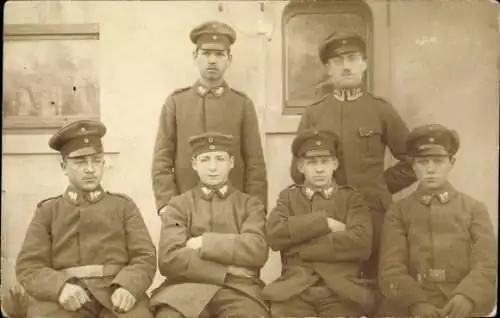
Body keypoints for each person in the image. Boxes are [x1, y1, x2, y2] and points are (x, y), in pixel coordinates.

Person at [292, 31, 416, 280]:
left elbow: (412, 161)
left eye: (352, 58)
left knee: (375, 282)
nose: (346, 66)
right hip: (326, 216)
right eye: (338, 61)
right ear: (328, 68)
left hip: (374, 213)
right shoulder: (315, 113)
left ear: (364, 64)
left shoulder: (380, 110)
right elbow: (297, 169)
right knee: (332, 284)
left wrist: (380, 185)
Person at [15, 120, 157, 318]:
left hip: (116, 295)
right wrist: (60, 288)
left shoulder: (123, 206)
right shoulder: (48, 211)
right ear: (64, 166)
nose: (90, 169)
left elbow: (145, 256)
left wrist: (129, 287)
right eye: (81, 162)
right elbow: (28, 266)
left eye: (96, 160)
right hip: (64, 301)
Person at [378, 124, 497, 318]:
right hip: (412, 306)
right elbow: (391, 267)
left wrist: (467, 297)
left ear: (452, 162)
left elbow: (486, 263)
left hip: (463, 305)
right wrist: (415, 303)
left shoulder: (474, 209)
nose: (431, 169)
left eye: (438, 161)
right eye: (423, 162)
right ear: (413, 165)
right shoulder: (398, 211)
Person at [151, 21, 267, 215]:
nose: (212, 60)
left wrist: (255, 208)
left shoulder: (242, 105)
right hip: (186, 209)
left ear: (229, 58)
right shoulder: (176, 103)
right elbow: (162, 160)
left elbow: (255, 163)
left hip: (233, 211)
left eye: (219, 54)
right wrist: (167, 205)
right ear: (195, 57)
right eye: (206, 53)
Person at [150, 132, 270, 318]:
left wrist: (203, 243)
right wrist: (227, 270)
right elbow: (168, 259)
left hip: (238, 291)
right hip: (184, 290)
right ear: (194, 164)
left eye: (220, 159)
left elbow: (257, 250)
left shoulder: (250, 205)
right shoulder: (178, 206)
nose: (213, 167)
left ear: (231, 162)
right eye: (205, 159)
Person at [264, 129, 375, 317]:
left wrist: (299, 246)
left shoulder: (351, 198)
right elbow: (274, 236)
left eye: (325, 162)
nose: (319, 169)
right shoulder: (289, 198)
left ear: (335, 164)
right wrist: (323, 222)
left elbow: (362, 244)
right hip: (294, 292)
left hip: (341, 292)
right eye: (311, 162)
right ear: (300, 166)